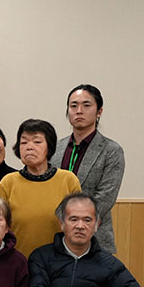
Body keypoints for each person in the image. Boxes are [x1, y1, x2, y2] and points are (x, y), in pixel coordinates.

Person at [52, 84, 124, 252]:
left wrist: (73, 220)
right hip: (54, 234)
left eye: (86, 105)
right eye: (73, 105)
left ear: (99, 112)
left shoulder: (111, 150)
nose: (79, 111)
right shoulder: (55, 148)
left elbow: (106, 197)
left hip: (94, 238)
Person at [0, 119, 81, 257]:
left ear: (49, 147)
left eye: (37, 142)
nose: (29, 147)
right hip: (18, 261)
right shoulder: (8, 183)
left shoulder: (68, 180)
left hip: (60, 261)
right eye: (24, 142)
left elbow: (78, 224)